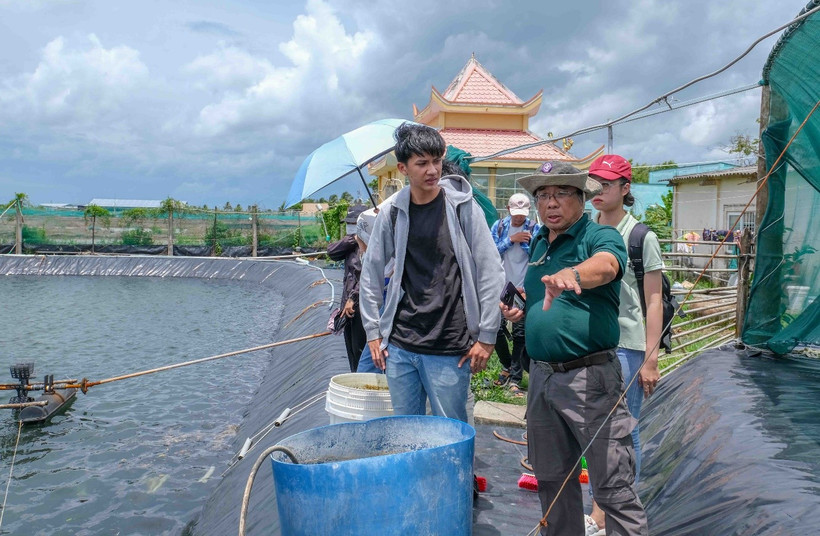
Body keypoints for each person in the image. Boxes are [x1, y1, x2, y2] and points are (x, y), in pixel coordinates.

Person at [501, 161, 648, 536]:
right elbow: (544, 297)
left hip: (589, 379)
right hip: (542, 379)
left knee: (613, 485)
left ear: (581, 198)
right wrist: (523, 314)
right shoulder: (538, 241)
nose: (551, 203)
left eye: (562, 193)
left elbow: (607, 266)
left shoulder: (598, 236)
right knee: (551, 480)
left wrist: (574, 274)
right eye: (543, 196)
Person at [359, 122, 504, 423]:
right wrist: (373, 333)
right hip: (400, 345)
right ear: (403, 168)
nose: (432, 170)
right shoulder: (393, 212)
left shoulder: (463, 207)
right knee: (405, 433)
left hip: (449, 346)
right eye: (422, 163)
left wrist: (487, 336)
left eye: (436, 160)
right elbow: (371, 273)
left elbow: (491, 270)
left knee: (451, 436)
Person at [585, 154, 662, 536]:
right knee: (594, 427)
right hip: (590, 344)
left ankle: (612, 512)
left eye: (608, 185)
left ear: (625, 188)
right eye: (594, 184)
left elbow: (653, 300)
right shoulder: (585, 229)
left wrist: (650, 357)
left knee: (623, 429)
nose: (598, 192)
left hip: (627, 347)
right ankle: (602, 507)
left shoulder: (640, 237)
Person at [490, 193, 539, 396]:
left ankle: (516, 380)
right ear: (508, 209)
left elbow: (539, 256)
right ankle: (507, 365)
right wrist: (511, 240)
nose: (519, 218)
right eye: (516, 213)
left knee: (520, 333)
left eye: (523, 214)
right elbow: (491, 252)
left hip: (523, 288)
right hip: (501, 287)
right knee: (495, 328)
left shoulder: (535, 228)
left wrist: (526, 244)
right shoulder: (499, 226)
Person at [327, 204, 367, 372]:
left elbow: (367, 276)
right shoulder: (352, 244)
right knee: (351, 349)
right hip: (347, 306)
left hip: (360, 306)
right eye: (349, 223)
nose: (350, 226)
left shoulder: (369, 244)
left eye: (354, 223)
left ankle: (364, 387)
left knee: (360, 350)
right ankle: (355, 379)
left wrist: (354, 298)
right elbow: (331, 252)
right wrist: (353, 237)